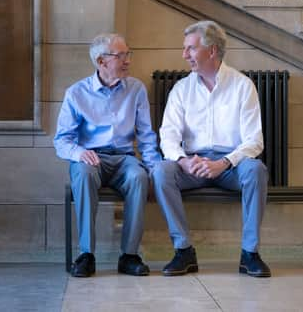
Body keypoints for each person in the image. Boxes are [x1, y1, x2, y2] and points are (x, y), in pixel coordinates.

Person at [152, 20, 271, 277]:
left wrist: (224, 163)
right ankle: (183, 250)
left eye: (191, 49)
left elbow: (254, 141)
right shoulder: (181, 89)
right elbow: (168, 135)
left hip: (231, 167)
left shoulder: (242, 86)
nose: (185, 55)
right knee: (161, 171)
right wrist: (182, 160)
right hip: (192, 164)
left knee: (256, 170)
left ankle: (250, 253)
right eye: (185, 49)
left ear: (212, 50)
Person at [54, 33, 161, 278]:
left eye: (128, 54)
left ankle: (129, 255)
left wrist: (153, 168)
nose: (127, 61)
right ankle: (86, 254)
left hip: (124, 158)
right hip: (92, 158)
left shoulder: (136, 89)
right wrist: (80, 152)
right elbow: (62, 140)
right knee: (81, 172)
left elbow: (146, 136)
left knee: (139, 177)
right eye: (120, 56)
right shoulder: (77, 93)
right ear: (101, 61)